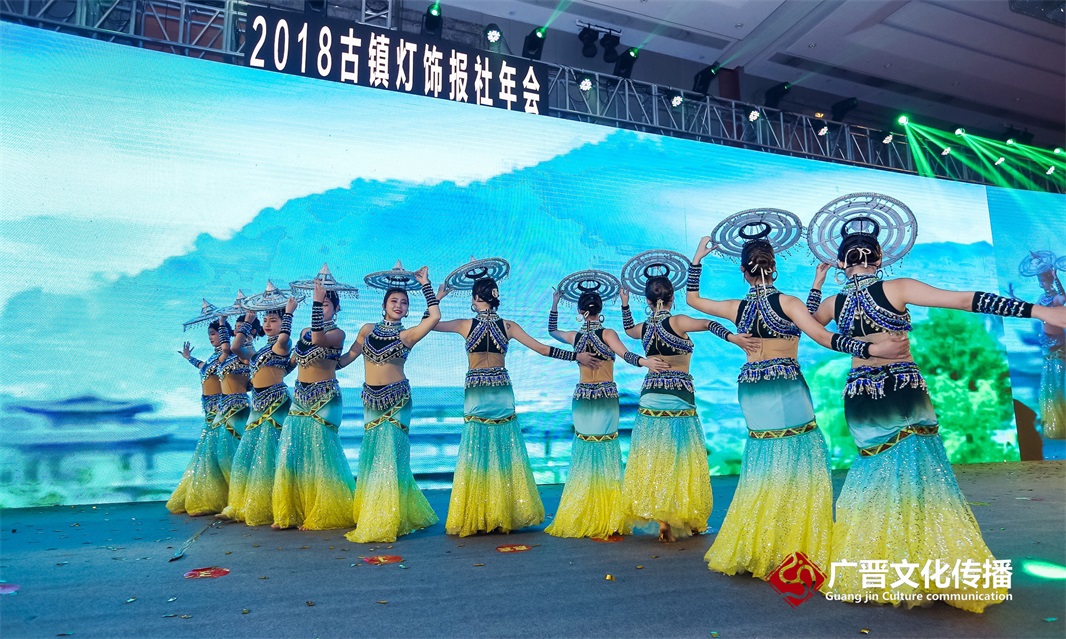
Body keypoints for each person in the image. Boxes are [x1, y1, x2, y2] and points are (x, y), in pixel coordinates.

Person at [808, 213, 1066, 612]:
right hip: (901, 388)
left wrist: (818, 283)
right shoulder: (898, 287)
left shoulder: (833, 303)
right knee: (922, 476)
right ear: (881, 258)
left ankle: (874, 565)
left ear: (843, 262)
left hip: (860, 394)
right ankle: (927, 564)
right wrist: (1040, 311)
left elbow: (811, 326)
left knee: (872, 474)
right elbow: (965, 299)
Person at [686, 223, 906, 579]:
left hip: (752, 388)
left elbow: (693, 300)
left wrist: (698, 259)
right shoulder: (788, 303)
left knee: (764, 464)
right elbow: (817, 331)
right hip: (786, 386)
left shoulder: (735, 308)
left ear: (743, 270)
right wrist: (871, 349)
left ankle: (759, 543)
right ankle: (792, 546)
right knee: (798, 462)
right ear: (774, 267)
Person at [432, 259, 600, 537]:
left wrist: (437, 298)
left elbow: (431, 323)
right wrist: (575, 356)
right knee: (503, 451)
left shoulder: (464, 324)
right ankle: (501, 513)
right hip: (500, 389)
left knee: (478, 453)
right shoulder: (508, 326)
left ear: (474, 299)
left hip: (477, 392)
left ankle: (482, 514)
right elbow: (542, 348)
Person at [617, 250, 745, 543]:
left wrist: (625, 304)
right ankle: (687, 516)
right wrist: (733, 338)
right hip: (679, 399)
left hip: (650, 399)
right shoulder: (679, 322)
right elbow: (709, 324)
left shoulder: (644, 328)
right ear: (672, 298)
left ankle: (663, 520)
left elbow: (628, 329)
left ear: (648, 300)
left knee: (655, 459)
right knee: (681, 459)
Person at [543, 273, 670, 539]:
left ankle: (584, 512)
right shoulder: (608, 333)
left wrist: (555, 303)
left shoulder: (575, 337)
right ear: (600, 309)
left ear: (580, 311)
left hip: (583, 398)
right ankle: (606, 514)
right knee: (605, 451)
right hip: (604, 398)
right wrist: (646, 362)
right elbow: (626, 355)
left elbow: (551, 330)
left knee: (584, 452)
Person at [338, 264, 441, 543]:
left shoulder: (407, 335)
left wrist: (426, 286)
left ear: (407, 311)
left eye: (403, 303)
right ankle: (376, 511)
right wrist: (323, 361)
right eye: (394, 300)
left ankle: (386, 517)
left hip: (397, 401)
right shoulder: (367, 330)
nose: (398, 305)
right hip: (370, 400)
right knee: (374, 457)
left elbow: (434, 317)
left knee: (390, 458)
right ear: (383, 305)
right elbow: (346, 359)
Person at [273, 267, 357, 530]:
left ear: (336, 308)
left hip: (325, 398)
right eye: (321, 303)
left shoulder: (338, 334)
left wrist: (316, 303)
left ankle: (323, 511)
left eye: (327, 304)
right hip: (300, 397)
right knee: (294, 453)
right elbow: (291, 362)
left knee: (321, 454)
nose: (323, 307)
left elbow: (320, 339)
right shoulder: (303, 332)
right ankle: (294, 512)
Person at [220, 284, 297, 525]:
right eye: (265, 320)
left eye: (273, 320)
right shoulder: (259, 350)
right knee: (246, 457)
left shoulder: (282, 346)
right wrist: (247, 321)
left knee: (271, 458)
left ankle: (278, 509)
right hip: (258, 406)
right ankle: (244, 505)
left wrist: (289, 314)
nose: (268, 324)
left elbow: (284, 337)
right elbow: (235, 348)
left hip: (276, 404)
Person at [167, 302, 228, 515]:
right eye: (210, 334)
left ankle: (218, 497)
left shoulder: (226, 355)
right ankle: (208, 494)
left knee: (216, 452)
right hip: (209, 408)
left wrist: (222, 324)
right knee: (208, 453)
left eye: (214, 333)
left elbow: (223, 357)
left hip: (221, 408)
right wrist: (189, 358)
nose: (211, 337)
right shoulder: (213, 356)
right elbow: (204, 367)